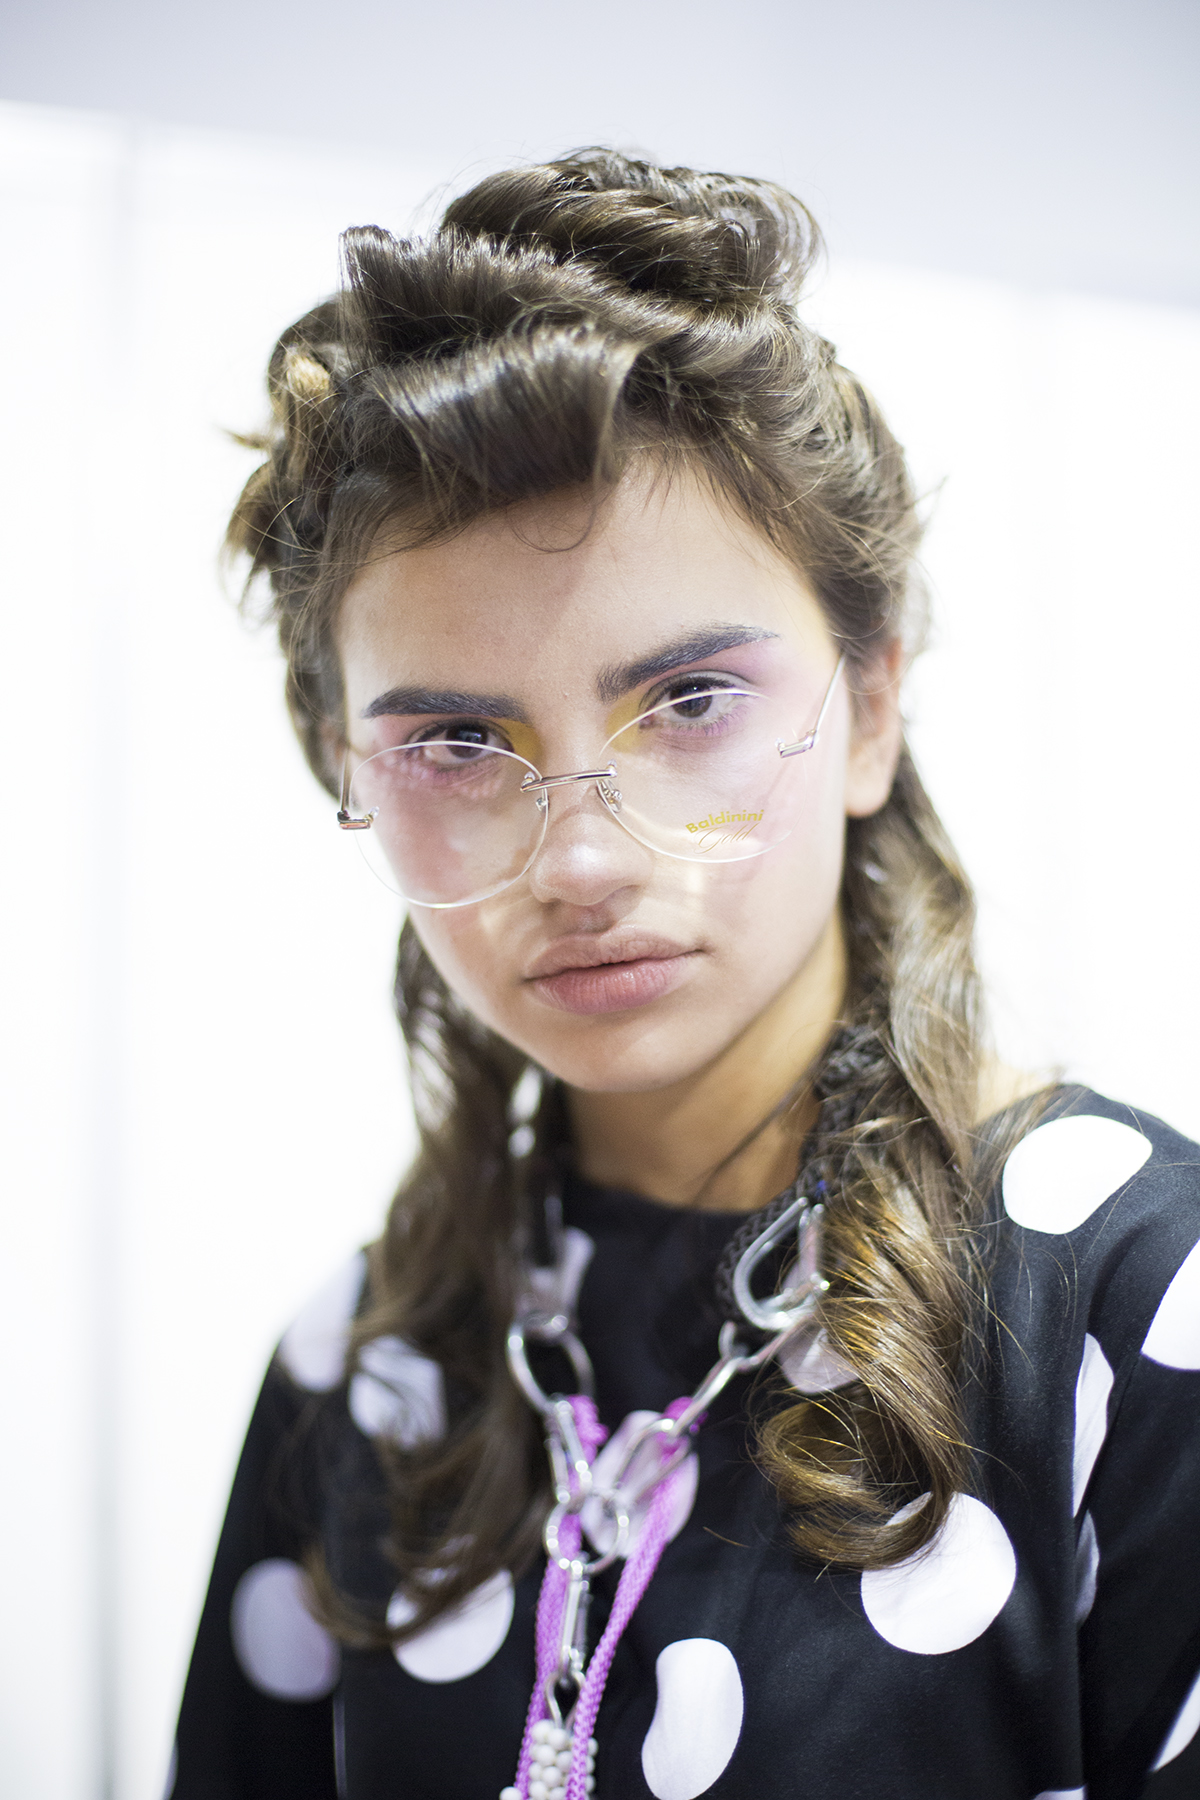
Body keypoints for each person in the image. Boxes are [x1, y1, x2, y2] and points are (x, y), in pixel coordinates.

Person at [170, 151, 1200, 1800]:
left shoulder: (1137, 1307)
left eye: (692, 705)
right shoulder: (359, 1367)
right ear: (342, 769)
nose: (582, 861)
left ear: (871, 707)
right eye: (457, 742)